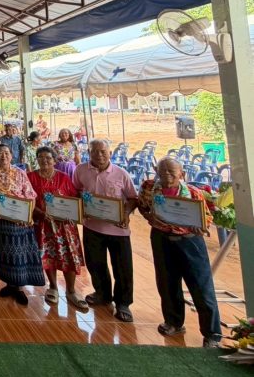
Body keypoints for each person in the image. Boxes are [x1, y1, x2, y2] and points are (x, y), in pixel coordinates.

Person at [138, 158, 221, 347]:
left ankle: (212, 334)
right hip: (161, 239)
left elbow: (206, 218)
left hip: (189, 241)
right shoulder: (149, 187)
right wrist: (148, 216)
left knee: (201, 287)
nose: (167, 174)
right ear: (156, 171)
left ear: (182, 173)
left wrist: (201, 226)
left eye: (172, 171)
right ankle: (174, 322)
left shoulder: (192, 192)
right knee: (167, 283)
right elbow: (142, 205)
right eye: (162, 170)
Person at [73, 139, 137, 323]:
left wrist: (125, 214)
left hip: (118, 230)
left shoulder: (121, 173)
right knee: (95, 264)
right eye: (94, 151)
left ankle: (123, 303)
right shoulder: (81, 170)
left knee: (122, 267)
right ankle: (102, 294)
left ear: (110, 153)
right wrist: (82, 207)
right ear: (89, 153)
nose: (99, 155)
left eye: (103, 151)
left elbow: (133, 198)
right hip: (92, 227)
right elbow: (76, 190)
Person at [27, 147, 88, 310]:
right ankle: (53, 287)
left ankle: (71, 291)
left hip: (65, 226)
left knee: (69, 256)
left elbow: (74, 199)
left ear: (55, 160)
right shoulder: (30, 177)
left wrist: (73, 213)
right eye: (40, 157)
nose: (44, 160)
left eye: (48, 157)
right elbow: (27, 200)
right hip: (43, 225)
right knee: (48, 256)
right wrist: (41, 213)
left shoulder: (64, 178)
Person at [0, 144, 44, 305]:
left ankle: (19, 287)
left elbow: (30, 195)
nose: (3, 156)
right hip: (0, 220)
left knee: (20, 254)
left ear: (12, 156)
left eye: (6, 153)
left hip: (20, 220)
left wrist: (27, 215)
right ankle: (9, 284)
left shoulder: (20, 172)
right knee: (4, 253)